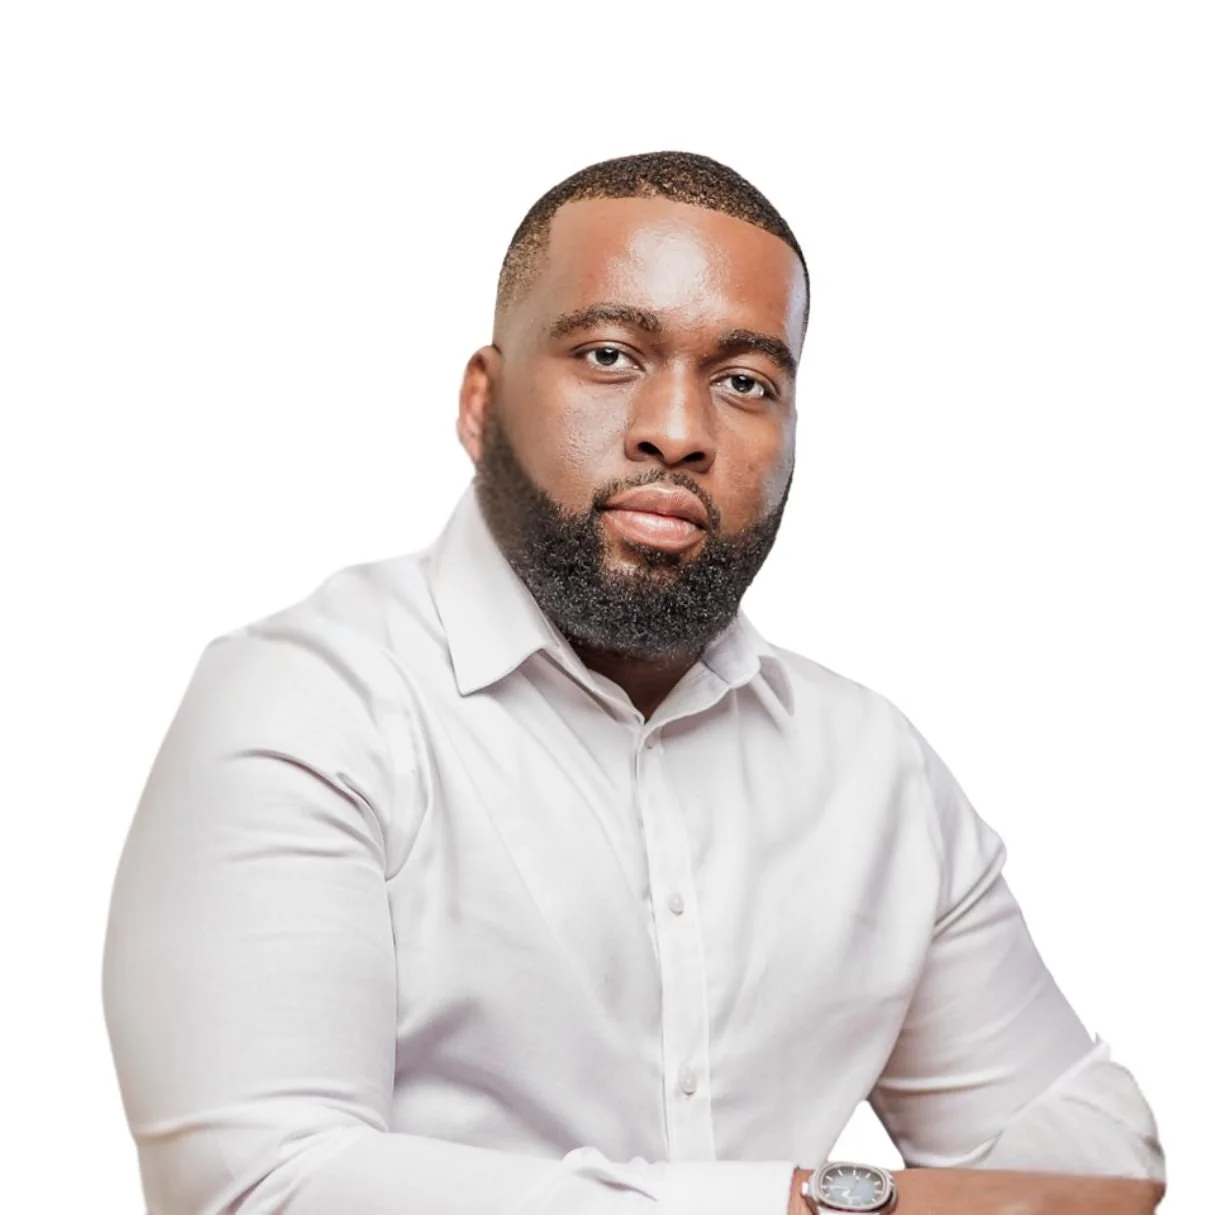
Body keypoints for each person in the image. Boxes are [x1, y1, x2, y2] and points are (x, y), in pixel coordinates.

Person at [102, 151, 1166, 1215]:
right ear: (481, 403)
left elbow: (1094, 1172)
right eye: (610, 355)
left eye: (745, 382)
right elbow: (259, 1188)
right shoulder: (308, 706)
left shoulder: (872, 772)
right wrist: (815, 1204)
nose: (680, 431)